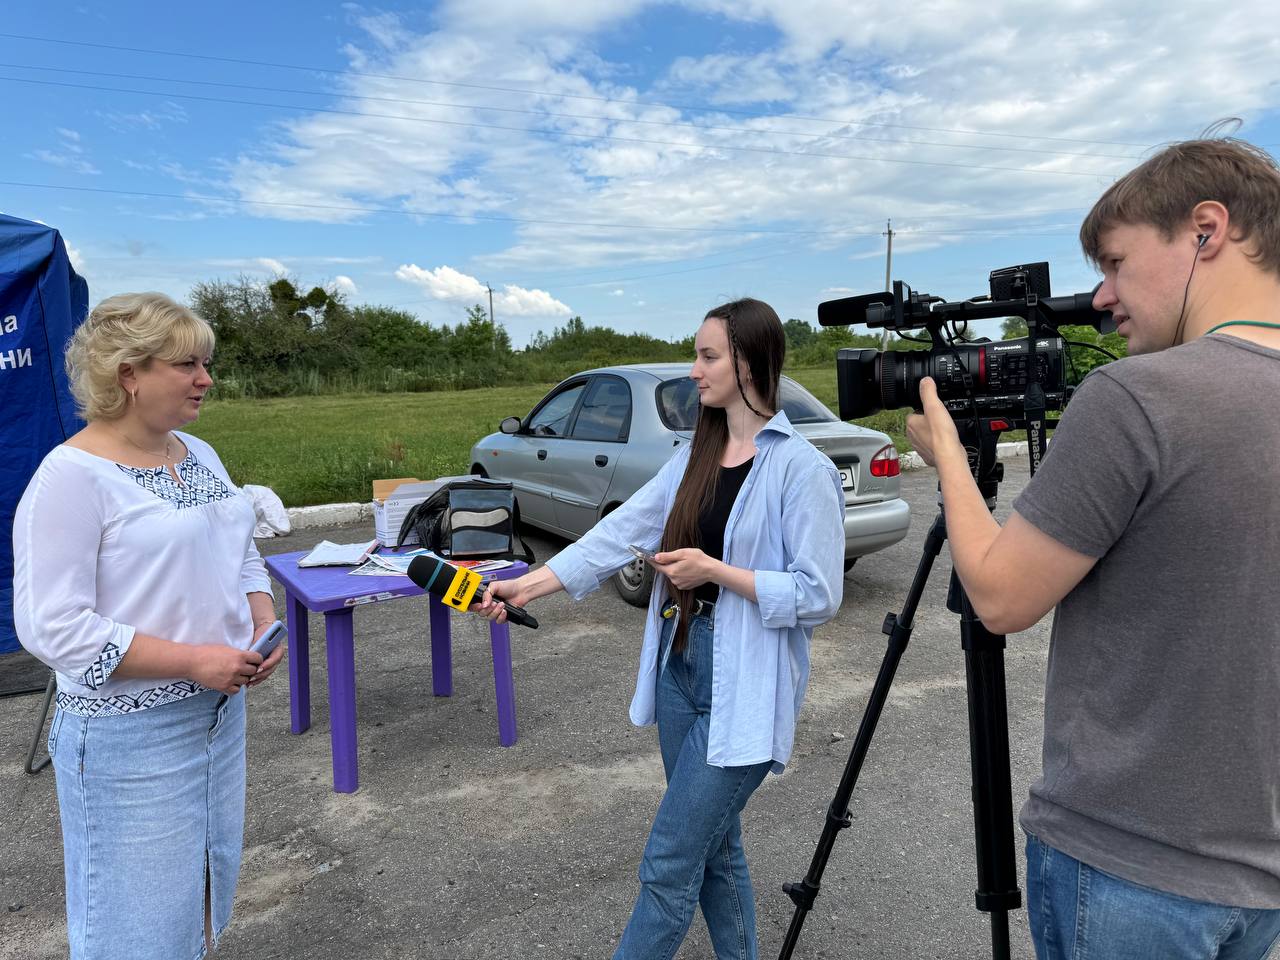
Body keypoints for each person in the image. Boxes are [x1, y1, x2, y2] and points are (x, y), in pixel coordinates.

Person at [905, 137, 1280, 958]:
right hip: (1262, 876)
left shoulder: (1137, 397)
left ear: (1205, 230)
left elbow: (1000, 600)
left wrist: (945, 454)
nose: (1103, 295)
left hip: (1129, 867)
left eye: (1114, 261)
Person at [478, 298, 845, 959]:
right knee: (718, 847)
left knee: (670, 861)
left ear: (749, 361)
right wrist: (524, 584)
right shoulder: (693, 455)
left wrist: (716, 570)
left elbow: (820, 595)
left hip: (746, 687)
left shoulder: (800, 468)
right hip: (682, 668)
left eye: (707, 357)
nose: (694, 370)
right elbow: (620, 532)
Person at [13, 292, 284, 960]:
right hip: (127, 734)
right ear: (129, 373)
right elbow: (53, 628)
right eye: (187, 364)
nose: (206, 379)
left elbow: (239, 543)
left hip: (219, 713)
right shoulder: (70, 479)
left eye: (206, 363)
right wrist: (193, 661)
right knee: (132, 924)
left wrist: (263, 615)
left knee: (196, 892)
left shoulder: (197, 453)